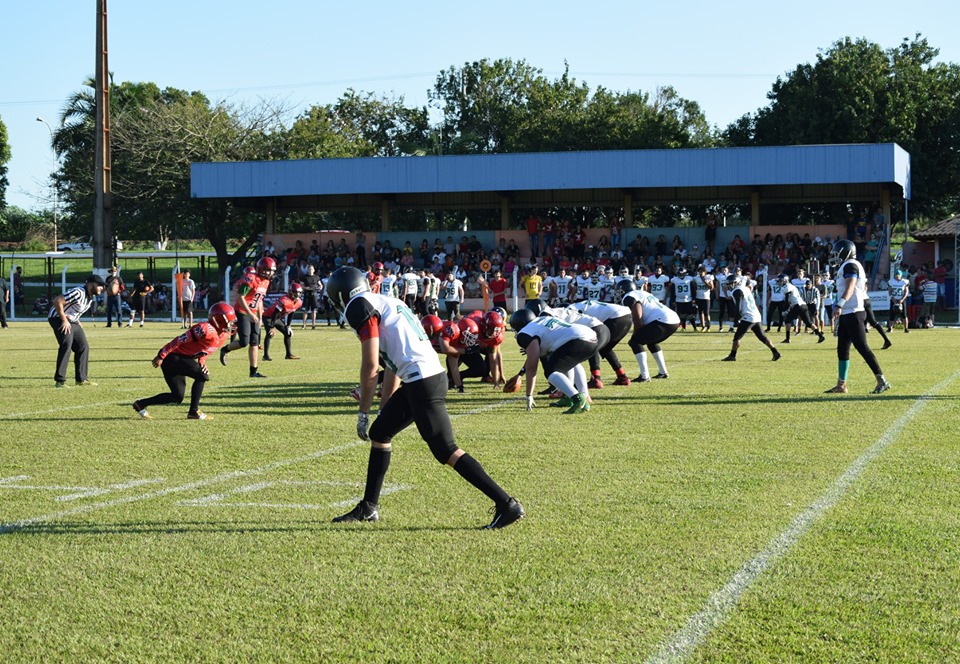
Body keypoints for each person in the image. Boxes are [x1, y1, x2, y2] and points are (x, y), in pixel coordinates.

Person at [325, 266, 524, 528]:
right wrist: (384, 407)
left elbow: (372, 365)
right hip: (422, 376)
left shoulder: (359, 305)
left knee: (446, 450)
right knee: (380, 432)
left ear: (340, 293)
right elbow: (394, 365)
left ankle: (506, 504)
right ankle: (369, 507)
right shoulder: (385, 301)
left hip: (423, 381)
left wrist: (363, 411)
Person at [132, 303, 237, 420]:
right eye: (230, 321)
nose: (232, 324)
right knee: (202, 376)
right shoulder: (205, 329)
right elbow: (179, 340)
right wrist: (161, 355)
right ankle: (194, 412)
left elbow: (206, 350)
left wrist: (202, 361)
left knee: (177, 397)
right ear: (219, 320)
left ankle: (140, 404)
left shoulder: (223, 334)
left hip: (182, 359)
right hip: (173, 358)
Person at [825, 239, 891, 395]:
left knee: (862, 347)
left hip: (854, 312)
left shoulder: (850, 265)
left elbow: (851, 286)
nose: (835, 256)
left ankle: (882, 380)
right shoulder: (847, 265)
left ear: (845, 252)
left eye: (837, 253)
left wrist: (839, 304)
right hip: (848, 312)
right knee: (842, 349)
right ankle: (841, 385)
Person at [509, 308, 597, 414]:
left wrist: (529, 395)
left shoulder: (524, 333)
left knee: (551, 372)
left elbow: (532, 367)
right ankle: (568, 398)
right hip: (590, 336)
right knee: (565, 365)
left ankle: (578, 400)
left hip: (577, 339)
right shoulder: (542, 320)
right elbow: (534, 356)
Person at [220, 256, 274, 378]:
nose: (270, 273)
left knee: (254, 343)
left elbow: (259, 300)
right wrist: (249, 313)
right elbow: (240, 297)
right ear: (261, 269)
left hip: (253, 314)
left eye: (271, 270)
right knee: (244, 342)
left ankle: (253, 371)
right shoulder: (251, 278)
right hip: (242, 312)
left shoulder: (266, 282)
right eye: (268, 270)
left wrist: (260, 317)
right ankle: (225, 349)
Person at [616, 278, 679, 381]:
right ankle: (663, 372)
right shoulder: (642, 293)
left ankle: (644, 376)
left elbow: (638, 317)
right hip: (673, 319)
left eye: (619, 291)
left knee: (635, 342)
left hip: (663, 319)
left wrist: (635, 335)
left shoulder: (629, 296)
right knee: (651, 342)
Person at [48, 274, 105, 388]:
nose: (101, 288)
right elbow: (57, 301)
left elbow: (74, 308)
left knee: (83, 347)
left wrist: (77, 320)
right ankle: (60, 381)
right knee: (66, 345)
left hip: (72, 320)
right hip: (58, 318)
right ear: (90, 284)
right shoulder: (78, 292)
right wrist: (64, 320)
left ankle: (81, 379)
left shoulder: (90, 297)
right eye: (99, 285)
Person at [722, 274, 781, 362]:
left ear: (736, 283)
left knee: (737, 337)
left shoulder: (737, 291)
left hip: (748, 316)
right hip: (755, 315)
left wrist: (736, 319)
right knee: (762, 337)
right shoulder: (745, 289)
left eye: (730, 284)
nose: (729, 286)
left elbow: (738, 306)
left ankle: (732, 356)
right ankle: (776, 352)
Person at [778, 274, 825, 344]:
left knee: (787, 320)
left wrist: (784, 310)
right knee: (809, 323)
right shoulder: (790, 286)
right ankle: (820, 336)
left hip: (798, 305)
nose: (779, 282)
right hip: (803, 305)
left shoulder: (787, 287)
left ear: (784, 280)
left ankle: (787, 339)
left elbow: (787, 299)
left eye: (780, 281)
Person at [262, 282, 304, 361]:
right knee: (270, 334)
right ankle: (265, 355)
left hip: (277, 318)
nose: (297, 294)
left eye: (299, 292)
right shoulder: (284, 300)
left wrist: (288, 325)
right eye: (296, 292)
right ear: (291, 292)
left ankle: (288, 354)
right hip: (269, 317)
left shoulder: (298, 302)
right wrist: (271, 327)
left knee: (287, 333)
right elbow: (275, 313)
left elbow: (291, 312)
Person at [300, 264, 321, 329]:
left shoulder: (316, 277)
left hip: (314, 294)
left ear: (314, 270)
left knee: (314, 310)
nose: (310, 270)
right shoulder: (304, 277)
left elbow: (320, 285)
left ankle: (313, 325)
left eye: (311, 269)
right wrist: (306, 288)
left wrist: (320, 287)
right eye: (309, 269)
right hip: (307, 294)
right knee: (305, 310)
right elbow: (301, 285)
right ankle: (304, 325)